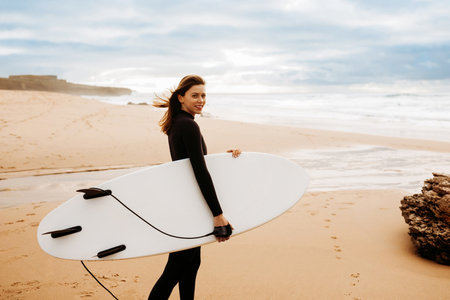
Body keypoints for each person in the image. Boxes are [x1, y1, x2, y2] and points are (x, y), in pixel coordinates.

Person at [149, 75, 241, 300]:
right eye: (195, 95)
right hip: (189, 207)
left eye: (203, 95)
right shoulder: (188, 125)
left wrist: (225, 160)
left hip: (186, 203)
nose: (201, 100)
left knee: (190, 265)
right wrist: (217, 214)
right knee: (175, 270)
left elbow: (193, 163)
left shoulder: (179, 123)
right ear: (181, 98)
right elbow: (199, 172)